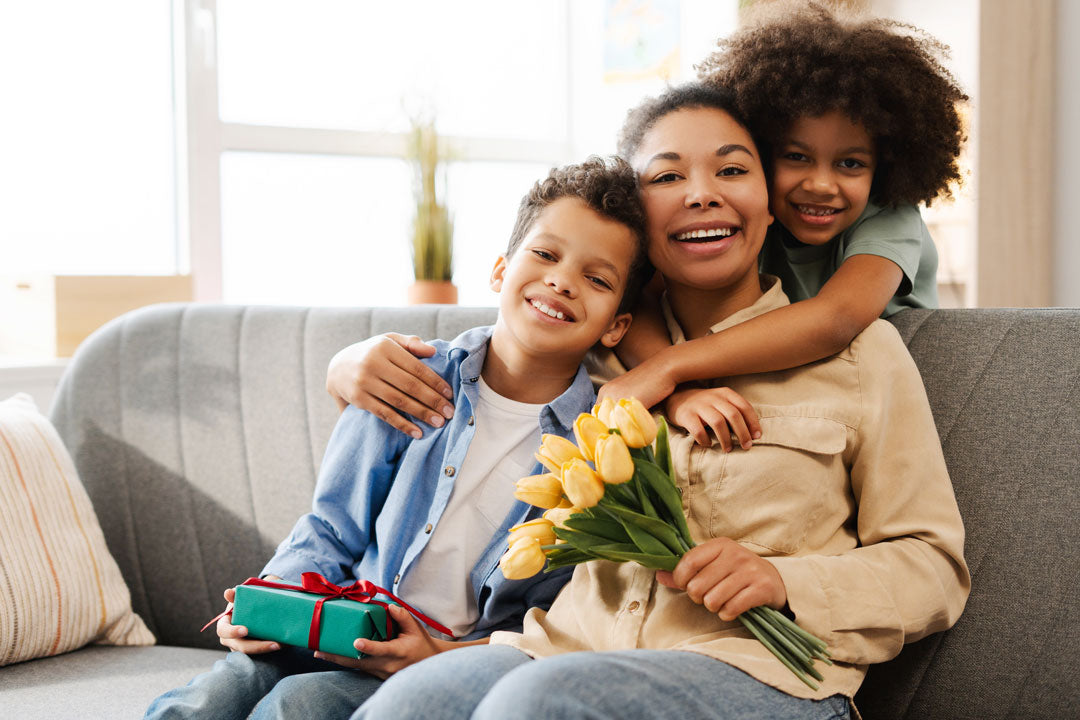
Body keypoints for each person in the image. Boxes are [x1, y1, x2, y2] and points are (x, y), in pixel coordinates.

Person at [348, 83, 969, 720]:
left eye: (732, 169)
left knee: (540, 704)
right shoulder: (598, 345)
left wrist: (786, 581)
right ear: (637, 216)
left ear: (771, 200)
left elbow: (934, 568)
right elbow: (496, 348)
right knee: (408, 706)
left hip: (758, 672)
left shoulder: (865, 358)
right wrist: (352, 363)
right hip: (558, 649)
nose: (702, 192)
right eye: (668, 175)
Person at [328, 2, 969, 454]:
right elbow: (569, 324)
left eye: (849, 163)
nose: (820, 184)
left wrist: (667, 374)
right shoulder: (649, 289)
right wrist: (348, 365)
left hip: (899, 372)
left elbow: (835, 318)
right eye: (795, 157)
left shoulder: (884, 215)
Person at [143, 155, 653, 720]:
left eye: (597, 278)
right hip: (333, 619)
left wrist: (443, 655)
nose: (561, 281)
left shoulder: (600, 452)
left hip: (433, 662)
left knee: (298, 705)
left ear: (616, 326)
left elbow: (547, 621)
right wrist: (271, 600)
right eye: (546, 254)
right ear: (500, 271)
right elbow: (331, 528)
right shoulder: (406, 376)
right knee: (211, 698)